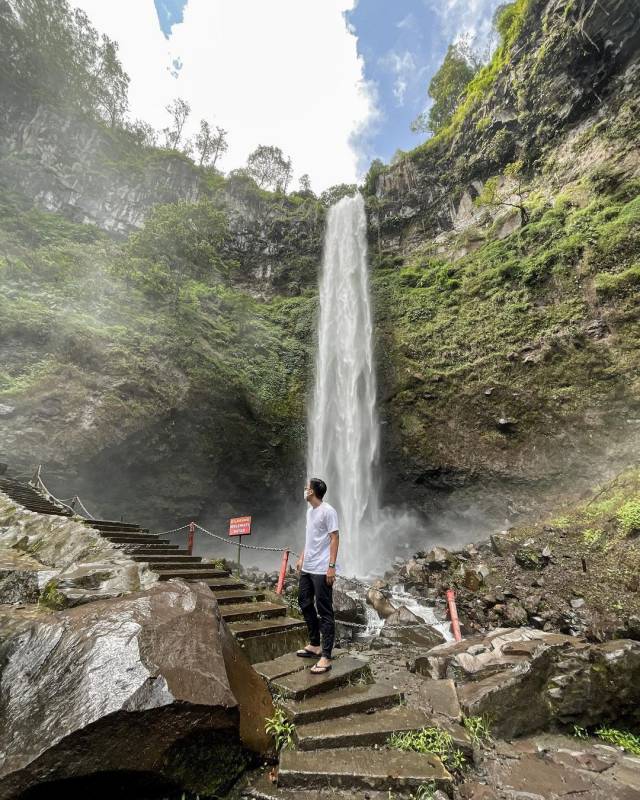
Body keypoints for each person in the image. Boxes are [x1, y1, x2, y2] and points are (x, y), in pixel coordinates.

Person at [295, 477, 339, 674]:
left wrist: (331, 566)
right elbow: (310, 538)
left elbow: (335, 537)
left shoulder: (328, 511)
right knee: (304, 602)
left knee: (325, 610)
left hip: (322, 569)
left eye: (307, 487)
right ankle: (314, 644)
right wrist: (302, 557)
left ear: (312, 492)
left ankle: (326, 657)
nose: (305, 489)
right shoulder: (309, 512)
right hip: (308, 566)